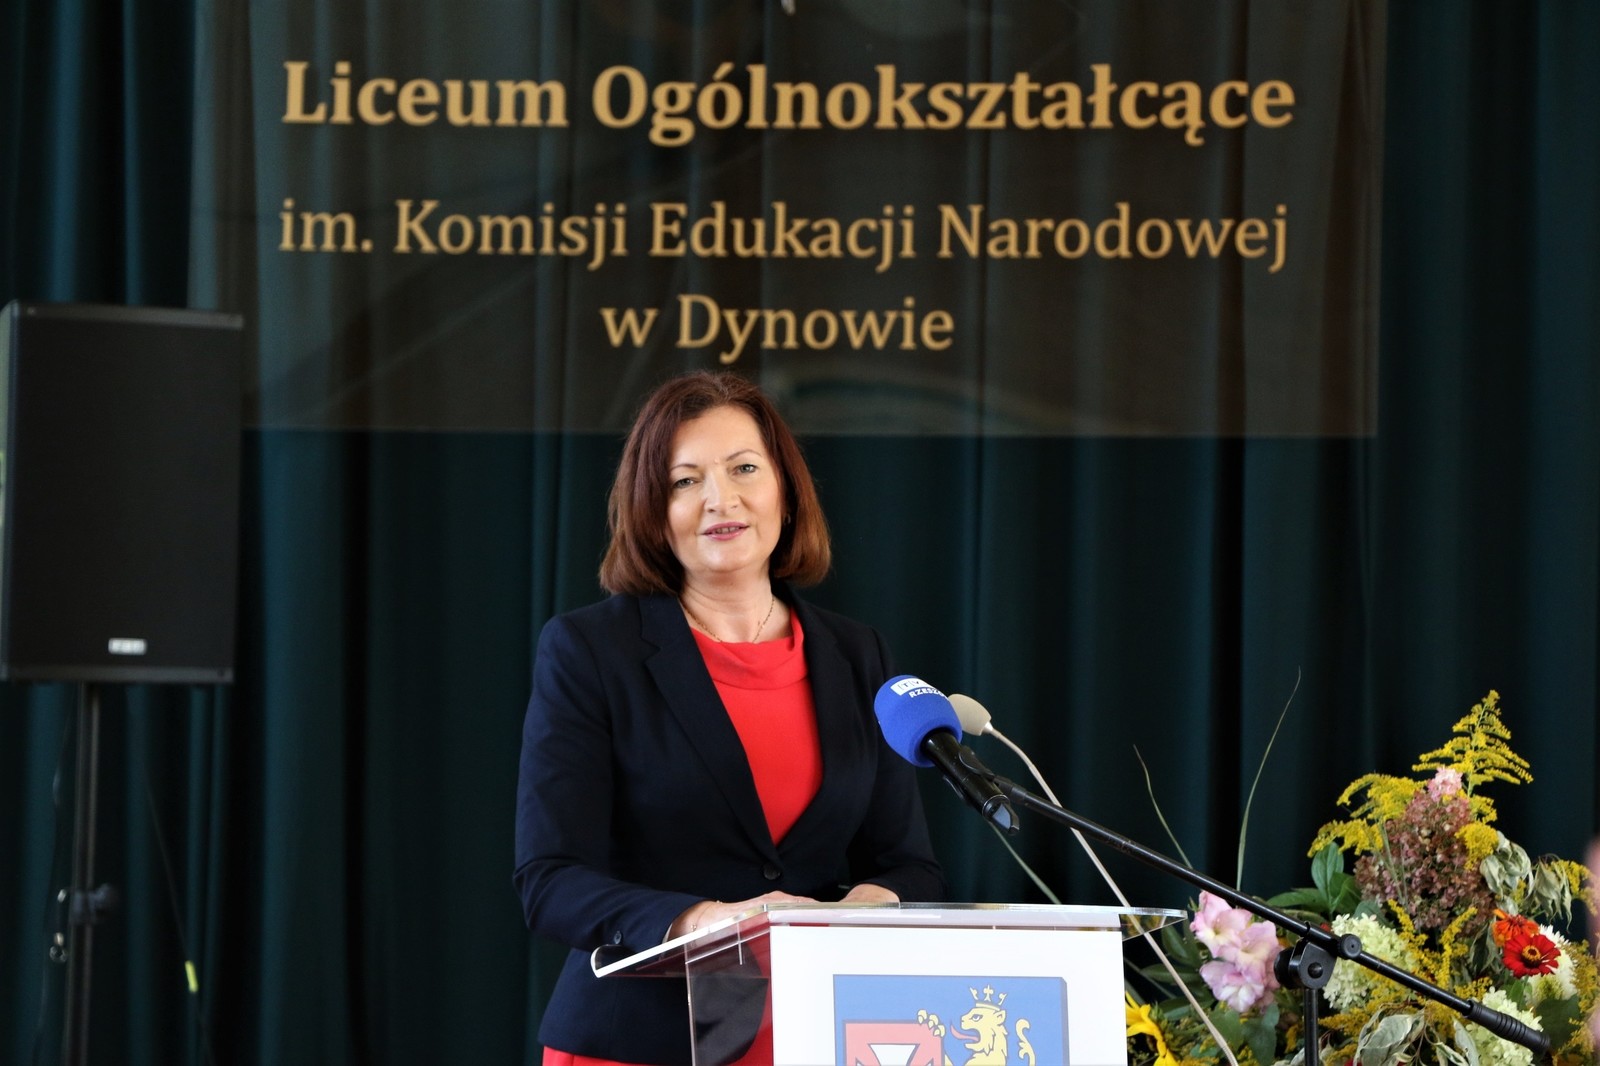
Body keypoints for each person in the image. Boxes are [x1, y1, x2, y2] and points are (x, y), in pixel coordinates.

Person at [514, 371, 944, 1066]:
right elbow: (551, 879)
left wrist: (865, 906)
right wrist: (706, 922)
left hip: (821, 1033)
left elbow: (909, 865)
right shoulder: (591, 650)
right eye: (685, 481)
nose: (721, 498)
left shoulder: (857, 654)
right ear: (653, 510)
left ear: (785, 488)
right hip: (642, 1040)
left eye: (745, 468)